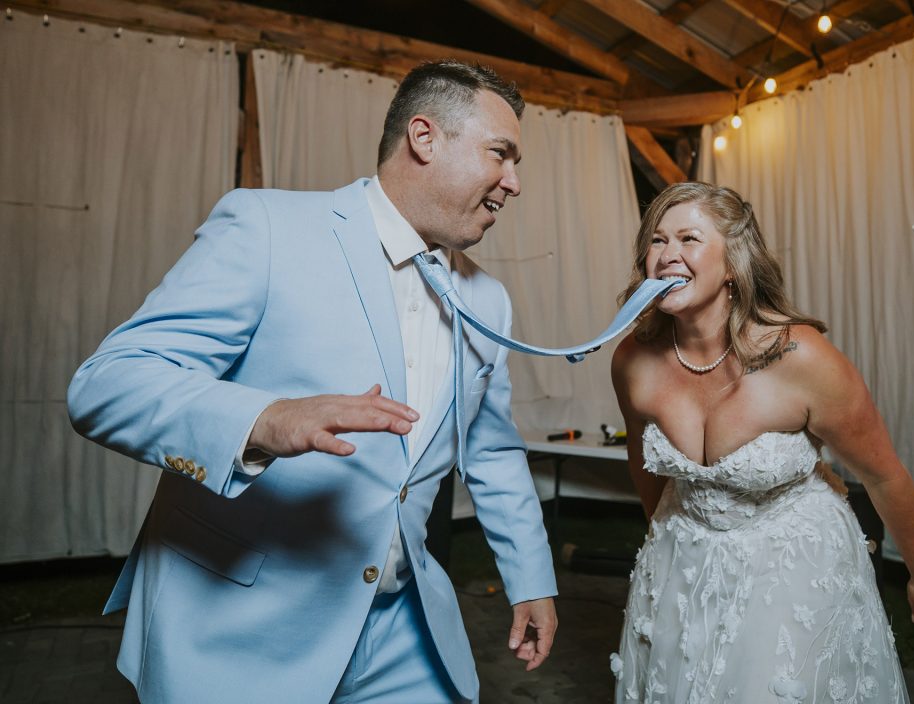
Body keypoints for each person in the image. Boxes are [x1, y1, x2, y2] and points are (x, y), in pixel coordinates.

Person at [66, 60, 557, 704]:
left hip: (404, 634)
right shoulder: (267, 228)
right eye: (501, 154)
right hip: (240, 629)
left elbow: (490, 449)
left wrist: (530, 577)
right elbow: (108, 384)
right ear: (425, 137)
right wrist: (263, 421)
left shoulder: (487, 301)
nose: (513, 184)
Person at [608, 182, 914, 702]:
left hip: (792, 567)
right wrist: (671, 549)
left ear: (732, 263)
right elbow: (645, 467)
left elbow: (883, 474)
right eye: (656, 241)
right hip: (681, 563)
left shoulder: (802, 357)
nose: (667, 256)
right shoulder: (631, 361)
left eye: (688, 238)